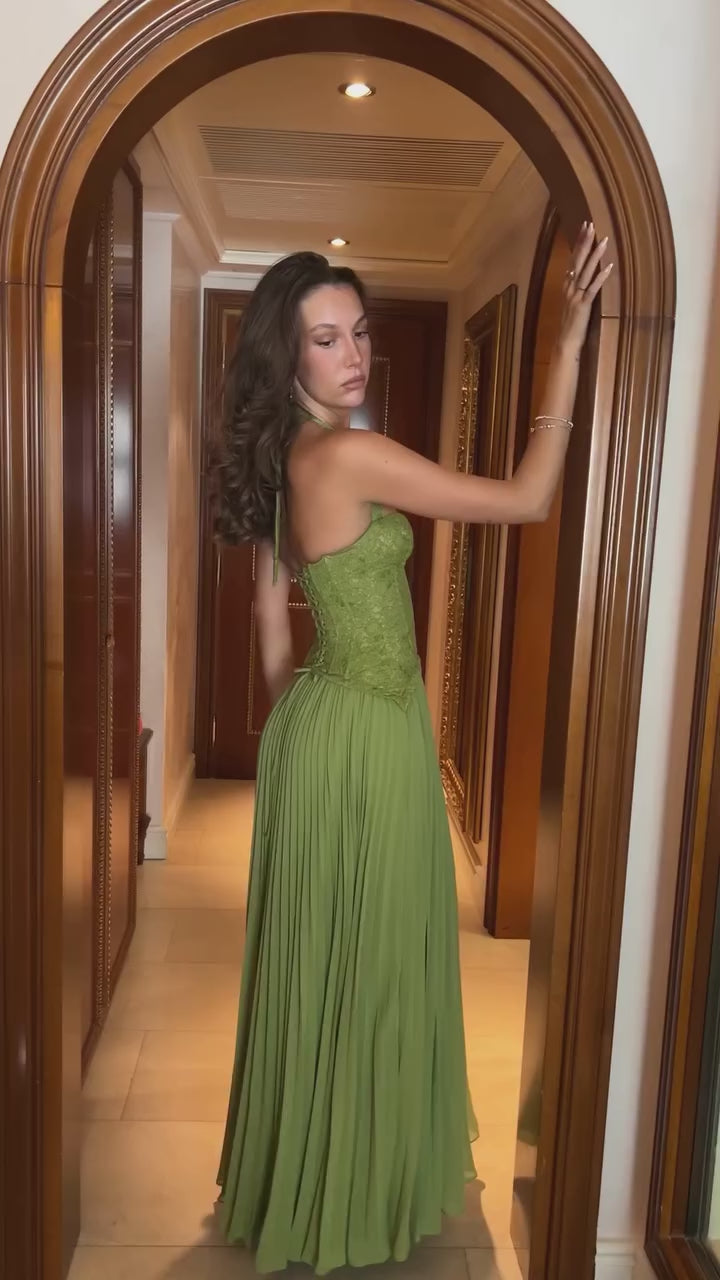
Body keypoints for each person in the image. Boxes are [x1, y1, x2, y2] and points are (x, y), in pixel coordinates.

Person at [212, 226, 612, 1274]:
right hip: (370, 731)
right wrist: (567, 347)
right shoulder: (348, 453)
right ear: (287, 357)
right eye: (325, 339)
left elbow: (269, 623)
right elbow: (525, 500)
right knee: (377, 960)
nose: (353, 355)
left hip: (322, 728)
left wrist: (299, 740)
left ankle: (319, 1174)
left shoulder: (283, 456)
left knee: (331, 960)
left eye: (359, 332)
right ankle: (353, 1188)